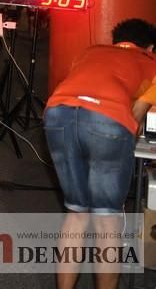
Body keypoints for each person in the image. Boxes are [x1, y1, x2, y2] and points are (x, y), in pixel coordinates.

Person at [44, 19, 156, 289]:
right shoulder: (150, 61)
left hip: (58, 113)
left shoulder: (90, 52)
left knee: (76, 213)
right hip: (107, 118)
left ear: (116, 40)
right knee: (107, 219)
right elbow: (137, 113)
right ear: (150, 46)